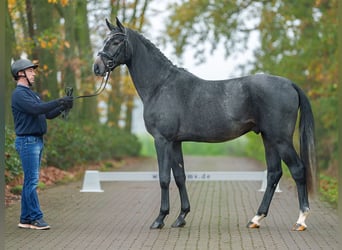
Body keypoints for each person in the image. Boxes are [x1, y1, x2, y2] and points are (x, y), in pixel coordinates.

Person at [11, 58, 74, 230]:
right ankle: (36, 218)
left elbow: (47, 114)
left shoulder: (32, 94)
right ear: (20, 74)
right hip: (27, 141)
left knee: (29, 182)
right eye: (30, 71)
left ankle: (25, 219)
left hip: (35, 141)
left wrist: (63, 106)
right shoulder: (19, 94)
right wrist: (60, 100)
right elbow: (37, 110)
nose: (34, 74)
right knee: (32, 182)